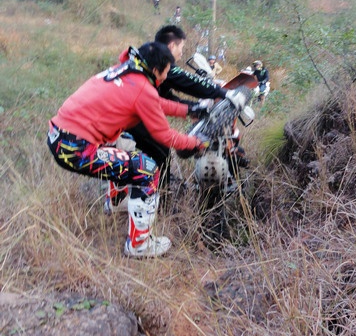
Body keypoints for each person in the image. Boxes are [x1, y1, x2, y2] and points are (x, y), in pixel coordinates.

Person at [47, 41, 208, 258]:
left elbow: (154, 103)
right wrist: (195, 142)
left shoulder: (125, 72)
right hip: (76, 148)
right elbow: (165, 135)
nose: (166, 76)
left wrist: (189, 110)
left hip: (60, 137)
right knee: (146, 169)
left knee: (121, 147)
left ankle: (116, 202)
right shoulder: (141, 87)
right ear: (156, 70)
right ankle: (140, 244)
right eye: (166, 71)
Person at [106, 25, 247, 204]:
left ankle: (143, 193)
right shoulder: (159, 64)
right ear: (172, 46)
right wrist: (223, 93)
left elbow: (165, 98)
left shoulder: (144, 60)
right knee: (160, 149)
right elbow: (189, 82)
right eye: (181, 48)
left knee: (156, 152)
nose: (181, 54)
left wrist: (193, 108)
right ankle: (158, 199)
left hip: (117, 116)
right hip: (122, 118)